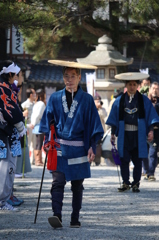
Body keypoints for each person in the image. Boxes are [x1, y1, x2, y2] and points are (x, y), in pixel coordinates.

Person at [39, 60, 104, 228]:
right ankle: (57, 215)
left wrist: (92, 145)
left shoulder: (87, 100)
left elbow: (94, 125)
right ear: (63, 78)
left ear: (79, 77)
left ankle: (75, 218)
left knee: (77, 184)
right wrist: (46, 141)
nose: (69, 80)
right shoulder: (54, 98)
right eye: (66, 76)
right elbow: (47, 122)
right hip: (59, 146)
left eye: (73, 76)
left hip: (79, 148)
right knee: (57, 182)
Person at [106, 72, 159, 193]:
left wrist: (150, 131)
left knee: (137, 159)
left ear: (137, 86)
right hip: (125, 134)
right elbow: (114, 118)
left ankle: (135, 183)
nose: (132, 87)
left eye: (134, 84)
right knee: (124, 159)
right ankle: (125, 182)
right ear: (126, 85)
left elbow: (151, 116)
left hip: (138, 134)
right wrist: (113, 133)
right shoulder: (119, 100)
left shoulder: (144, 100)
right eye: (129, 84)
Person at [0, 60, 26, 211]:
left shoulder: (9, 88)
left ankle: (6, 198)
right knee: (5, 166)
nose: (17, 77)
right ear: (9, 74)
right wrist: (20, 124)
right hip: (4, 133)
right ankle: (2, 201)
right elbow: (10, 110)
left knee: (9, 166)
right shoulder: (3, 89)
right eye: (16, 74)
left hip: (9, 133)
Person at [142, 82, 159, 181]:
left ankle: (151, 173)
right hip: (144, 129)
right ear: (149, 90)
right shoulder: (145, 101)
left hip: (156, 131)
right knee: (144, 151)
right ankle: (146, 171)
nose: (155, 90)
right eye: (153, 88)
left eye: (157, 89)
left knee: (153, 151)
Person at [29, 89, 46, 166]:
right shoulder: (42, 103)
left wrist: (32, 123)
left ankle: (37, 160)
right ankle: (38, 161)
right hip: (39, 125)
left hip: (35, 125)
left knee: (37, 143)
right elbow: (38, 115)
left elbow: (33, 115)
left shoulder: (36, 103)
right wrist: (34, 123)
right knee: (39, 143)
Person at [21, 88, 36, 164]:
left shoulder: (35, 104)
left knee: (35, 144)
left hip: (35, 127)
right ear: (30, 95)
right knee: (28, 144)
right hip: (28, 126)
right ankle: (26, 162)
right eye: (34, 94)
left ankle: (33, 161)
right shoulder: (24, 105)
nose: (35, 95)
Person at [93, 95, 107, 165]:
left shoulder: (102, 109)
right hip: (92, 130)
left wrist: (100, 108)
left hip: (100, 130)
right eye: (97, 101)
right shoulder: (91, 108)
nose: (98, 102)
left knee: (99, 146)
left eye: (99, 100)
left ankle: (97, 161)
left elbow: (104, 116)